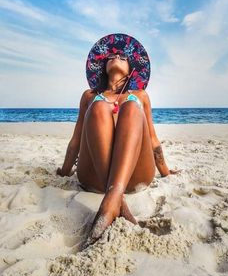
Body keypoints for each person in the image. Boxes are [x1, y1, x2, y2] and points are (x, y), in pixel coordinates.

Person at [57, 33, 180, 244]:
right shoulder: (89, 96)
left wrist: (166, 171)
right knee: (99, 107)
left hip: (135, 176)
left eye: (123, 57)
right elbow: (76, 141)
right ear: (103, 67)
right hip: (94, 176)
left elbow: (152, 140)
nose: (117, 56)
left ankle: (112, 200)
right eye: (112, 56)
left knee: (132, 107)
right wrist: (65, 171)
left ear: (132, 68)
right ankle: (115, 198)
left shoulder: (140, 96)